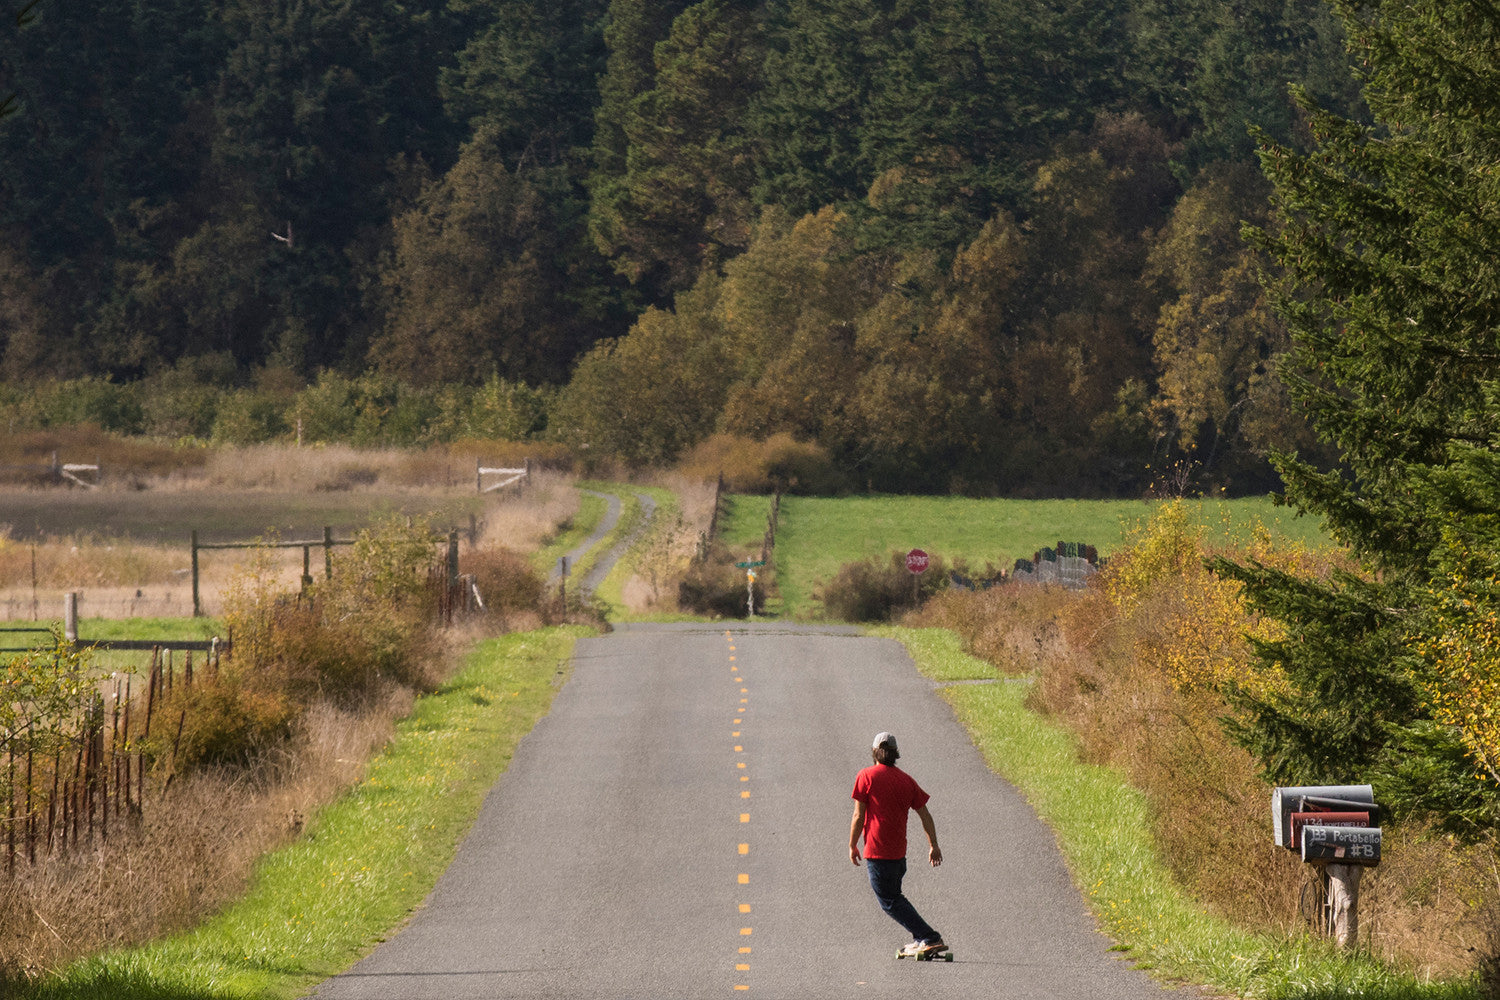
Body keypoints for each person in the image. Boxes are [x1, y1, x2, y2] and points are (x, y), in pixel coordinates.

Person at [848, 731, 946, 957]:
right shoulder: (907, 780)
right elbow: (925, 815)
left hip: (877, 851)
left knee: (889, 901)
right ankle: (920, 937)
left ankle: (929, 936)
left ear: (874, 752)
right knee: (895, 896)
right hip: (898, 855)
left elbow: (858, 816)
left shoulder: (866, 776)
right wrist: (934, 845)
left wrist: (852, 845)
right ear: (895, 754)